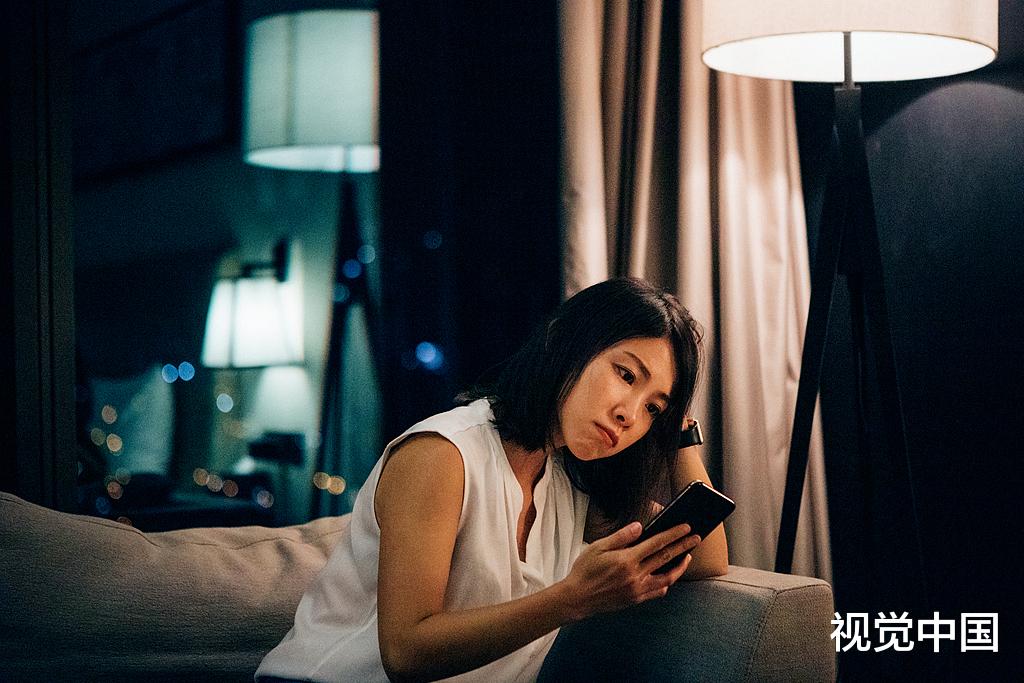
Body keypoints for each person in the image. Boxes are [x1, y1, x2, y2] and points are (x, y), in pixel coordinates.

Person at [255, 277, 729, 683]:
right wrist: (571, 599)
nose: (630, 415)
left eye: (653, 409)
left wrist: (679, 435)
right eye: (625, 374)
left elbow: (707, 556)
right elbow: (404, 653)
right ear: (565, 343)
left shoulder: (567, 487)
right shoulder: (443, 454)